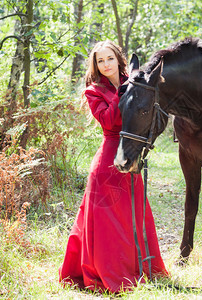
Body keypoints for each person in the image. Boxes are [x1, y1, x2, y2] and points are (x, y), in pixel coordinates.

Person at [59, 41, 168, 293]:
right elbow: (108, 121)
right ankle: (111, 272)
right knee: (108, 221)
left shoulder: (134, 80)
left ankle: (138, 267)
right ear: (95, 65)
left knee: (133, 214)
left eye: (110, 59)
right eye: (100, 61)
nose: (106, 65)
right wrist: (122, 94)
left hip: (132, 152)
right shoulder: (94, 91)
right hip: (109, 157)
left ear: (119, 59)